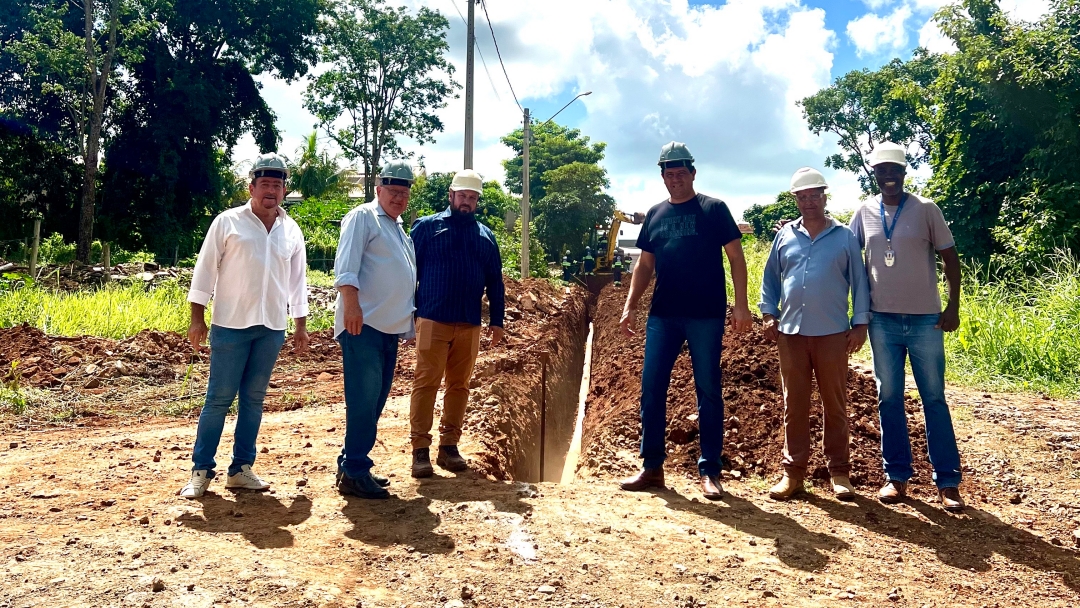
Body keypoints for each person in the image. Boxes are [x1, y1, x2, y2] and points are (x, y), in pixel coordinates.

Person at [619, 141, 753, 500]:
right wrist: (630, 304)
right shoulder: (655, 214)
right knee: (651, 389)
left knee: (708, 391)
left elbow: (736, 259)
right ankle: (652, 467)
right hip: (663, 315)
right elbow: (645, 264)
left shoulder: (714, 209)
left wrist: (741, 305)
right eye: (669, 173)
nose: (675, 179)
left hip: (705, 315)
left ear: (693, 173)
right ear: (662, 177)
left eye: (681, 173)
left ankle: (710, 470)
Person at [180, 153, 309, 499]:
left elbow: (298, 282)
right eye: (264, 184)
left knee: (253, 399)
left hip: (271, 327)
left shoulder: (291, 230)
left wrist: (300, 326)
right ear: (251, 187)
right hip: (231, 324)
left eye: (277, 185)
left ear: (284, 190)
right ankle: (201, 470)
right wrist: (197, 318)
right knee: (219, 398)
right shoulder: (228, 222)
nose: (271, 190)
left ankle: (240, 469)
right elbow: (204, 270)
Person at [850, 141, 966, 512]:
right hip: (881, 321)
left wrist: (952, 307)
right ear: (874, 173)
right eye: (882, 170)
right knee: (889, 398)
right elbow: (850, 261)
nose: (888, 177)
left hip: (925, 322)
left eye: (894, 170)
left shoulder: (926, 210)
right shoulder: (863, 213)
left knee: (934, 398)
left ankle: (947, 482)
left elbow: (950, 259)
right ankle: (896, 476)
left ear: (904, 172)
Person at [759, 168, 871, 501]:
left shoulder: (844, 236)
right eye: (802, 197)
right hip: (791, 334)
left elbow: (860, 282)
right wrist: (768, 314)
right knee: (795, 405)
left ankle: (839, 473)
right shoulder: (785, 236)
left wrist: (860, 323)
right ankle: (793, 474)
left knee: (834, 404)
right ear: (795, 199)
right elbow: (770, 279)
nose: (809, 202)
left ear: (825, 196)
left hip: (833, 334)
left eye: (814, 195)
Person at [408, 169, 506, 478]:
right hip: (432, 318)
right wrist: (407, 313)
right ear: (451, 196)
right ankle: (420, 450)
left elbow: (495, 282)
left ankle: (449, 446)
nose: (467, 201)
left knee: (459, 385)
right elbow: (408, 273)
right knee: (426, 382)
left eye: (472, 197)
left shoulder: (485, 237)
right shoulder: (426, 228)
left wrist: (498, 321)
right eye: (462, 196)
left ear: (477, 201)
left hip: (469, 323)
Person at [333, 160, 418, 499]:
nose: (399, 198)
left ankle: (350, 462)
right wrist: (351, 305)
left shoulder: (398, 229)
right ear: (379, 190)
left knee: (375, 400)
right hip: (362, 325)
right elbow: (346, 266)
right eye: (393, 191)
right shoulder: (363, 217)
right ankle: (354, 469)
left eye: (404, 193)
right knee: (364, 399)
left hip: (387, 329)